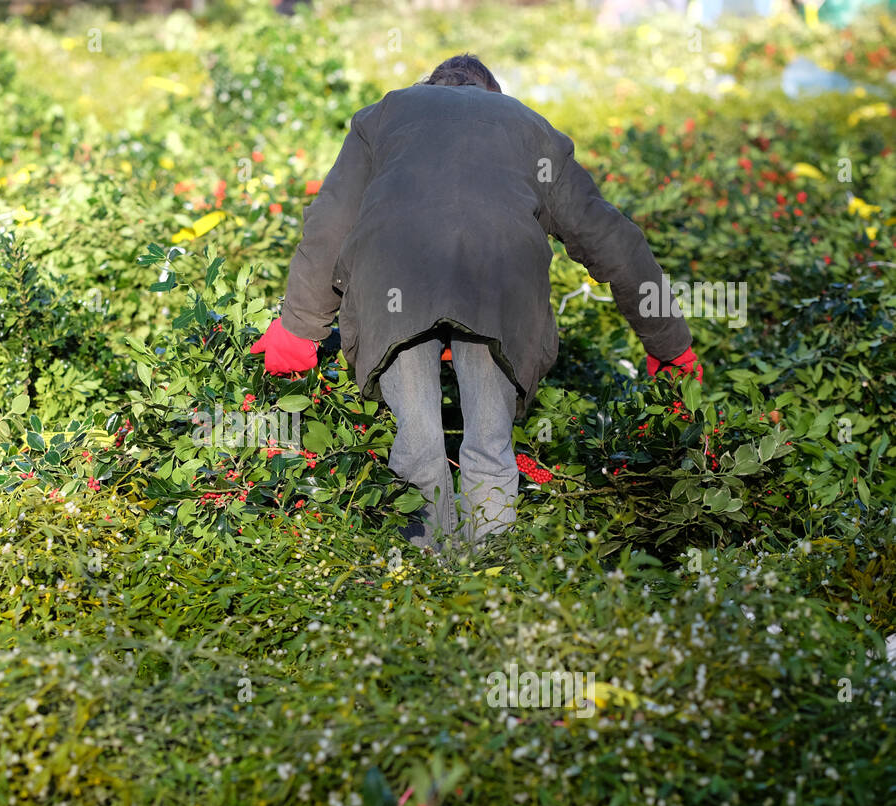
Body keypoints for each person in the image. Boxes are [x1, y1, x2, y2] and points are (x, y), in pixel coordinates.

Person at [250, 54, 701, 553]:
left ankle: (424, 587)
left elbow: (330, 222)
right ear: (493, 93)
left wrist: (299, 326)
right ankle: (491, 582)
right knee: (490, 448)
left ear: (431, 85)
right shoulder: (530, 130)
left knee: (418, 444)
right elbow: (612, 239)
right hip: (498, 284)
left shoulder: (385, 115)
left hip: (394, 276)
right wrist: (670, 343)